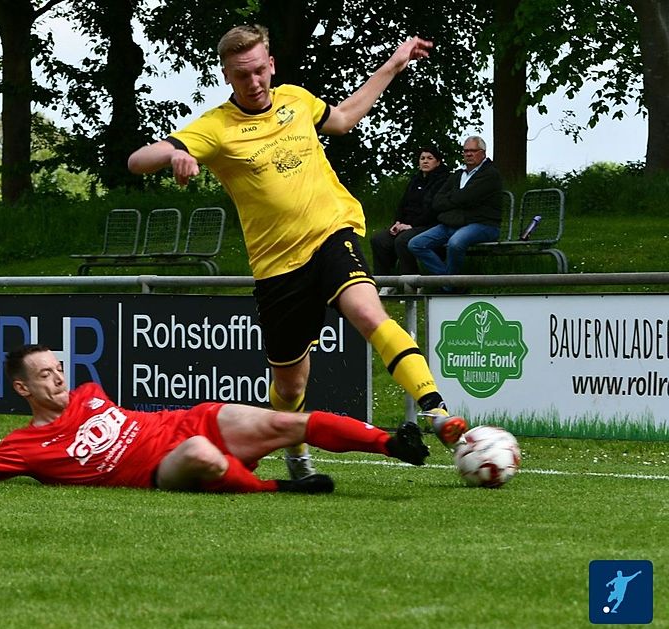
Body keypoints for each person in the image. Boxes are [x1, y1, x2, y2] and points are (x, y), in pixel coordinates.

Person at [127, 25, 467, 480]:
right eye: (241, 75)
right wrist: (173, 155)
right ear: (228, 76)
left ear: (272, 65)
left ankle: (437, 411)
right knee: (290, 383)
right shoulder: (216, 127)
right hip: (276, 267)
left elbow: (344, 118)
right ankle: (295, 455)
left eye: (259, 70)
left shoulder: (296, 99)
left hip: (332, 231)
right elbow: (136, 160)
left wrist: (394, 64)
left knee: (368, 313)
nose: (254, 82)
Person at [0, 345, 431, 493]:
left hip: (191, 420)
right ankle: (276, 487)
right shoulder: (25, 447)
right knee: (204, 460)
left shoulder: (89, 391)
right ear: (23, 388)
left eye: (58, 369)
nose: (58, 378)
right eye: (44, 375)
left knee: (287, 421)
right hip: (164, 464)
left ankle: (390, 442)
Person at [407, 135, 503, 293]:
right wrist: (456, 200)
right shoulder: (458, 175)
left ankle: (448, 286)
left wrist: (453, 200)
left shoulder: (490, 175)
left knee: (455, 243)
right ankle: (451, 282)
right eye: (466, 151)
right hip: (454, 223)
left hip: (483, 225)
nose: (468, 154)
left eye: (473, 151)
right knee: (416, 243)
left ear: (483, 153)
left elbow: (466, 198)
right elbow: (437, 201)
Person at [369, 145, 449, 292]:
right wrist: (397, 223)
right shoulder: (415, 180)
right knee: (379, 240)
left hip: (429, 225)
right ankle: (387, 283)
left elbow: (433, 210)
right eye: (422, 158)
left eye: (430, 158)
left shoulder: (443, 181)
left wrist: (410, 226)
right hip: (406, 225)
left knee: (403, 240)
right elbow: (403, 204)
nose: (425, 161)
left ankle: (412, 283)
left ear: (438, 162)